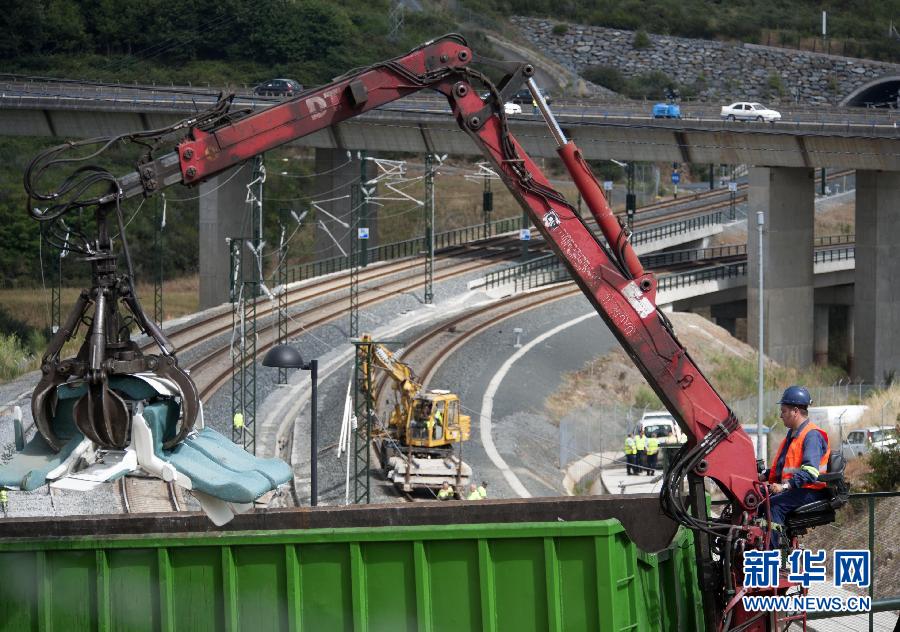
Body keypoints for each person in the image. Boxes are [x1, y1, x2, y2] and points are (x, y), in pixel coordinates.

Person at [759, 385, 830, 547]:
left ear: (795, 411)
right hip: (798, 489)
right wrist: (762, 476)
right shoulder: (794, 435)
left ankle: (772, 558)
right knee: (758, 500)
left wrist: (784, 486)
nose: (780, 415)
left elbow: (810, 472)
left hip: (811, 491)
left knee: (774, 506)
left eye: (783, 411)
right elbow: (785, 466)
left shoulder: (811, 435)